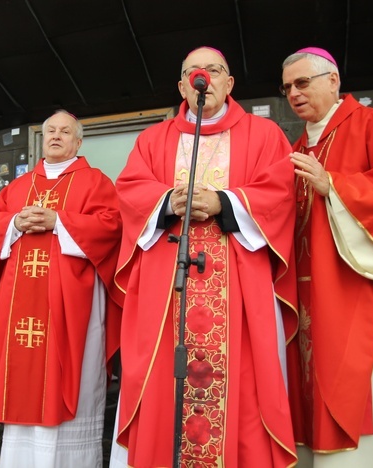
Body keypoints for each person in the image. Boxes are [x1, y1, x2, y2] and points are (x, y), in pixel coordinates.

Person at [110, 47, 298, 468]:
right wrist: (166, 202)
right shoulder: (153, 139)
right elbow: (129, 192)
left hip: (238, 281)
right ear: (182, 86)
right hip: (168, 282)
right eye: (193, 73)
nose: (204, 78)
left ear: (230, 83)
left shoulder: (264, 134)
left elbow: (281, 193)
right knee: (162, 382)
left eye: (214, 71)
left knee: (245, 385)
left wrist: (224, 202)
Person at [281, 47, 373, 467]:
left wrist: (336, 187)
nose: (294, 93)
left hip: (364, 286)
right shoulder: (296, 147)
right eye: (287, 86)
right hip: (313, 293)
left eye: (302, 82)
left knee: (371, 386)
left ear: (333, 80)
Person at [0, 110, 122, 467]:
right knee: (23, 376)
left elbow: (111, 226)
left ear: (78, 141)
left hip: (74, 303)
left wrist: (60, 221)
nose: (56, 136)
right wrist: (14, 221)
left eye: (65, 132)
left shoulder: (96, 182)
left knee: (71, 373)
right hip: (21, 304)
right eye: (50, 131)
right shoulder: (20, 185)